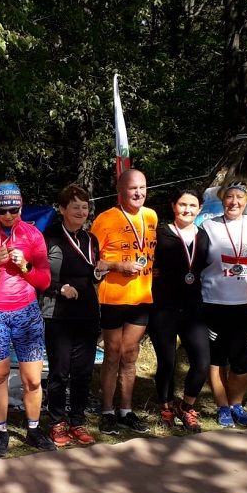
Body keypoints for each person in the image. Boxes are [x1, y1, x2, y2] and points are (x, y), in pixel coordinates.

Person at [0, 181, 54, 458]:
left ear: (21, 207)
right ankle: (2, 431)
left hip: (26, 312)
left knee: (33, 380)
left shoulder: (32, 234)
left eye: (13, 210)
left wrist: (25, 266)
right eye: (2, 211)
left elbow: (44, 281)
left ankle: (33, 429)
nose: (8, 216)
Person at [90, 168, 158, 435]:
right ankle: (107, 411)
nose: (138, 193)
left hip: (142, 296)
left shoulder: (151, 216)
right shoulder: (105, 218)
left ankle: (126, 411)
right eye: (132, 188)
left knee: (131, 355)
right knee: (113, 354)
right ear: (120, 191)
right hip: (113, 298)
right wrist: (118, 265)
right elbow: (92, 260)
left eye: (142, 187)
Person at [40, 183, 102, 446]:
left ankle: (77, 420)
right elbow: (38, 276)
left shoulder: (91, 239)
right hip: (58, 315)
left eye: (84, 207)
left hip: (87, 313)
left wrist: (100, 273)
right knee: (59, 372)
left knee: (83, 372)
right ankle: (57, 422)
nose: (81, 211)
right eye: (75, 206)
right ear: (62, 209)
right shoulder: (49, 237)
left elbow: (93, 275)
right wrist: (59, 288)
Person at [146, 188, 211, 433]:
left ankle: (187, 406)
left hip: (193, 306)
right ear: (174, 206)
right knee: (167, 360)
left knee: (202, 361)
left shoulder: (203, 236)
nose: (187, 210)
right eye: (183, 204)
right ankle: (166, 406)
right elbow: (144, 260)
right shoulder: (160, 233)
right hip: (163, 306)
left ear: (200, 208)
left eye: (193, 205)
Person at [200, 177, 247, 429]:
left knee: (242, 360)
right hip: (214, 301)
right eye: (229, 196)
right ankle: (222, 406)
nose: (234, 202)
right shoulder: (208, 226)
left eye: (239, 197)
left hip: (245, 303)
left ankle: (237, 405)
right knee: (217, 359)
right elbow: (193, 259)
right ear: (222, 199)